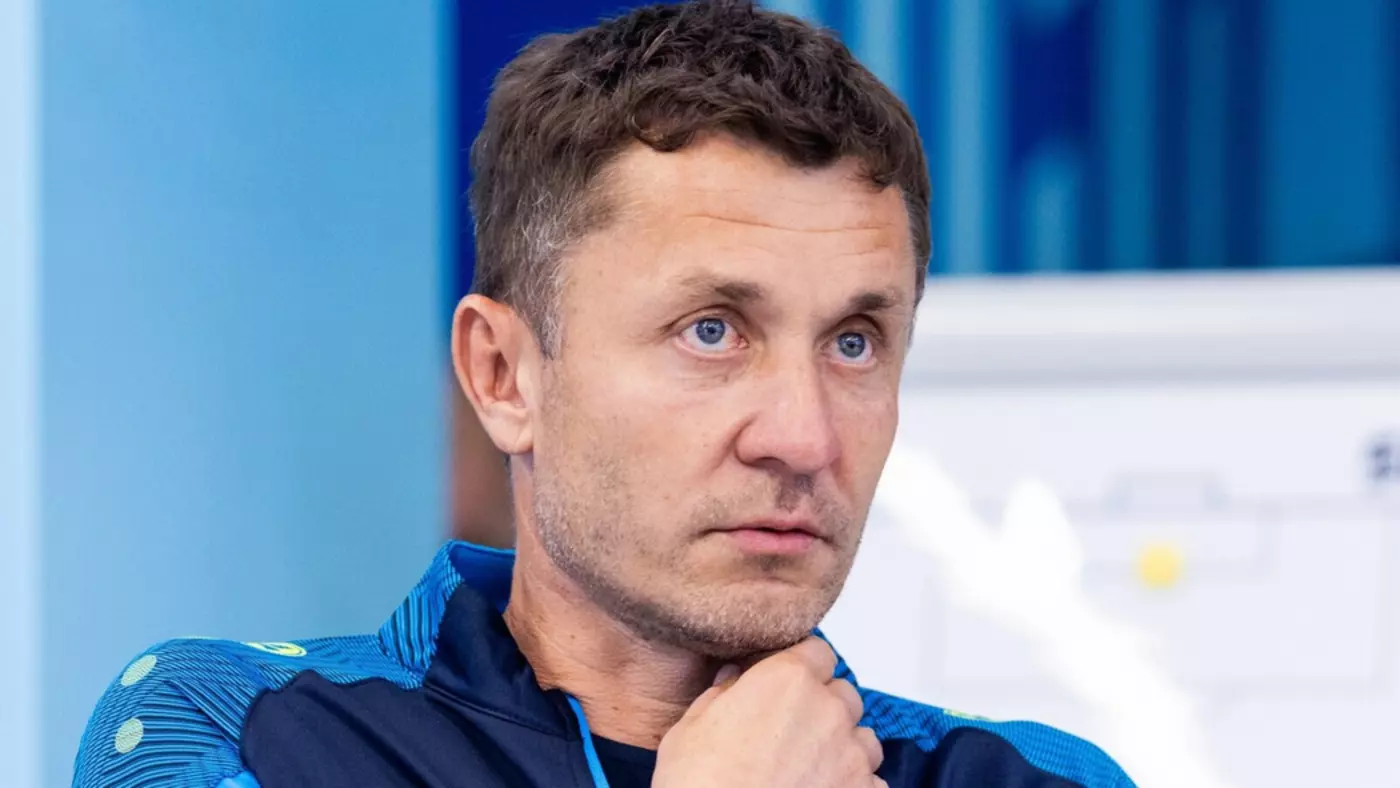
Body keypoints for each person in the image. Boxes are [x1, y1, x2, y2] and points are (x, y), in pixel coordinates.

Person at [74, 2, 1134, 786]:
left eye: (854, 343)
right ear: (503, 375)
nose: (803, 436)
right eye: (711, 331)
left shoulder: (1030, 780)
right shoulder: (244, 729)